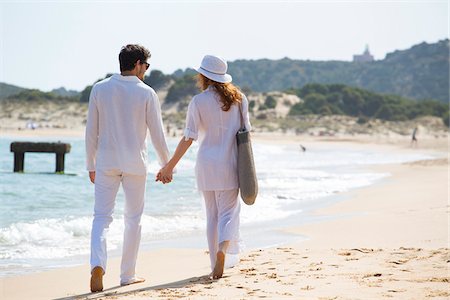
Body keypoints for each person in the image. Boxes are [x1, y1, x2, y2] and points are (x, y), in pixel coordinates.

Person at [157, 55, 252, 279]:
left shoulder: (198, 102)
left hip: (206, 164)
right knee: (229, 212)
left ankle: (213, 264)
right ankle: (223, 249)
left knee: (212, 215)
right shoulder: (240, 100)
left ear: (203, 76)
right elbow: (246, 133)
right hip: (231, 163)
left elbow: (188, 138)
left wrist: (169, 166)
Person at [85, 44, 171, 292]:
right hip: (135, 164)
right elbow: (157, 134)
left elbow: (91, 130)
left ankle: (97, 265)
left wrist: (90, 164)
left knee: (101, 217)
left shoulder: (100, 89)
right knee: (133, 219)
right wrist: (166, 165)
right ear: (137, 64)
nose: (146, 70)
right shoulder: (146, 93)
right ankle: (127, 275)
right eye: (146, 65)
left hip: (106, 163)